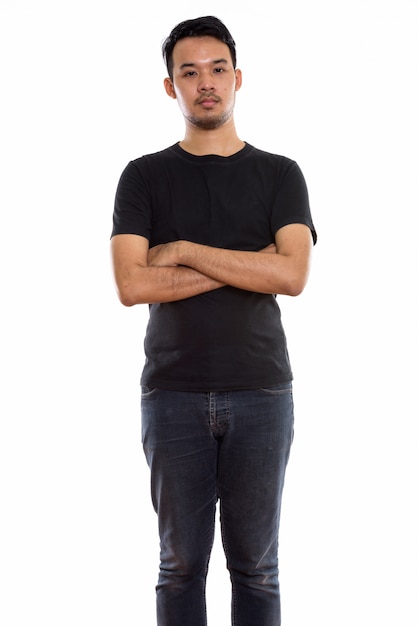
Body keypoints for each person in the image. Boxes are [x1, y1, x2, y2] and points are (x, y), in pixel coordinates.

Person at [111, 15, 317, 626]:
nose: (207, 83)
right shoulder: (144, 176)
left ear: (238, 78)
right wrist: (252, 263)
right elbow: (132, 284)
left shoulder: (280, 174)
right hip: (172, 395)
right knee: (179, 568)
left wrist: (185, 251)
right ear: (170, 87)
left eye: (218, 69)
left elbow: (293, 276)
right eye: (190, 72)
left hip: (261, 391)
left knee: (257, 568)